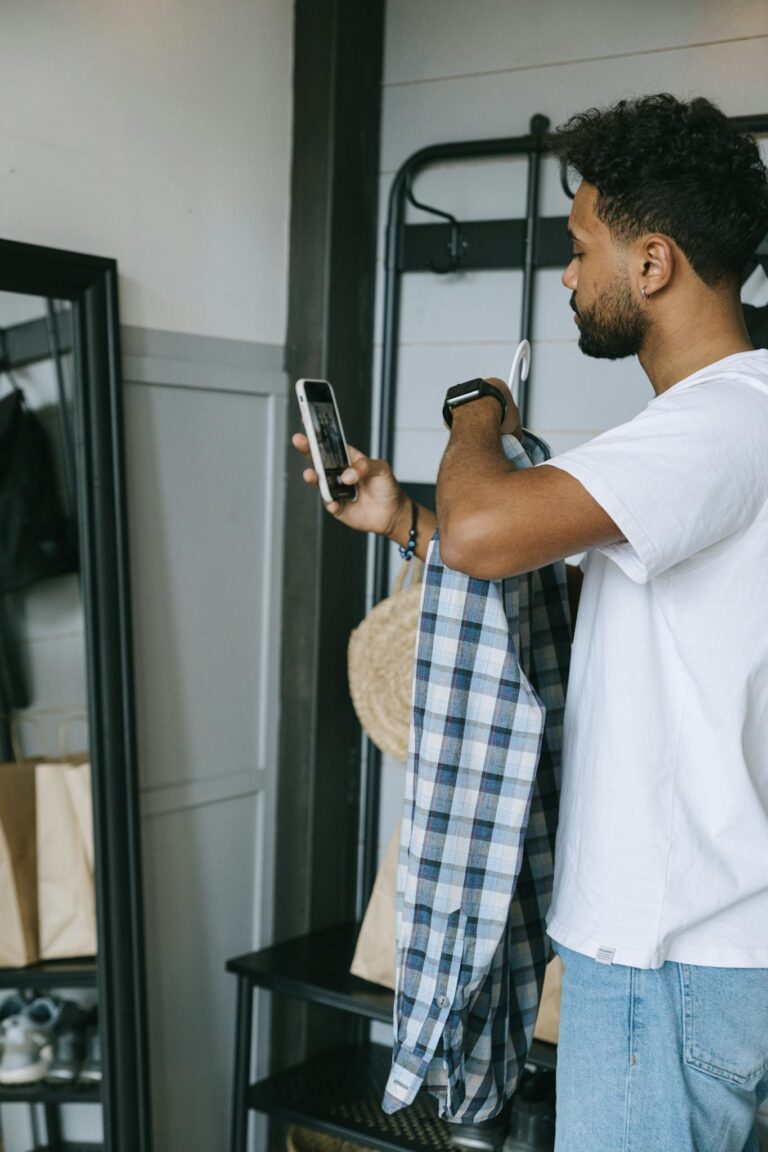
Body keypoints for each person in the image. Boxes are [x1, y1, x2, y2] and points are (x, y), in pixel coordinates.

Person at [293, 94, 768, 1152]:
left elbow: (489, 528)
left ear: (652, 264)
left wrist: (476, 412)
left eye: (579, 246)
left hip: (670, 954)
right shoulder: (711, 430)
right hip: (681, 950)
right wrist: (410, 519)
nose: (566, 274)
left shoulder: (719, 424)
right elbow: (568, 593)